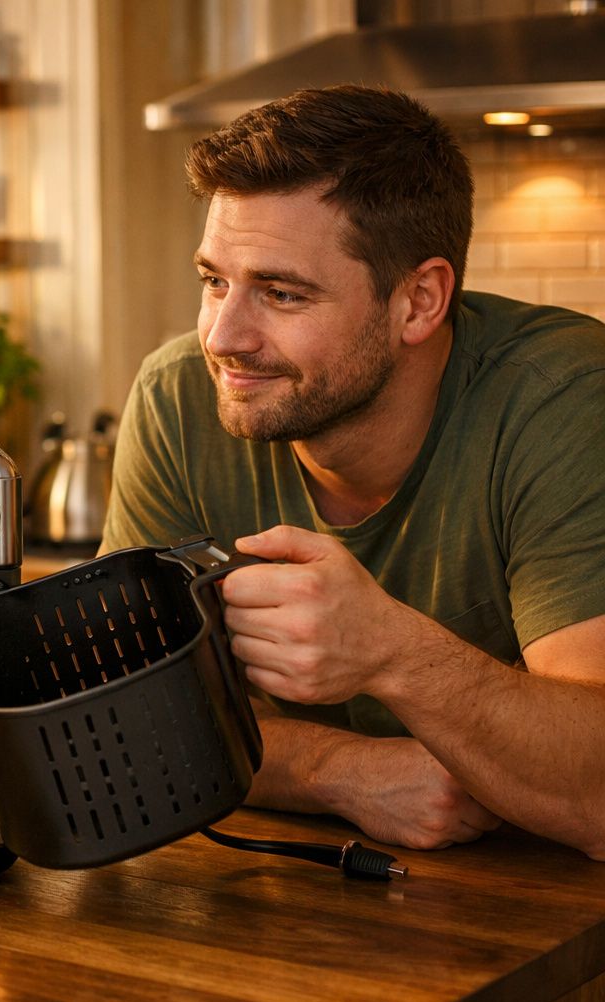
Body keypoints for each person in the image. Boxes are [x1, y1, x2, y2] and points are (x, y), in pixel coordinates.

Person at [100, 85, 605, 859]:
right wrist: (336, 771)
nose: (223, 336)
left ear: (420, 301)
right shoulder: (176, 397)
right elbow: (126, 722)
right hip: (297, 897)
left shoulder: (565, 401)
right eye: (213, 281)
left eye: (281, 292)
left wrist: (394, 652)